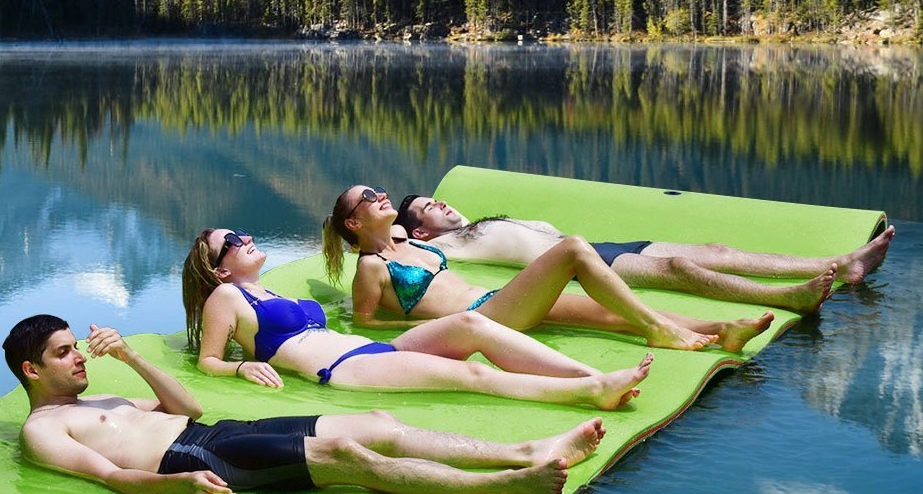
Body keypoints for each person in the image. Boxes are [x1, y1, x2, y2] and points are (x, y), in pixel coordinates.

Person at [4, 313, 607, 494]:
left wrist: (133, 358)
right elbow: (112, 479)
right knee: (346, 454)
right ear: (33, 370)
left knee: (376, 425)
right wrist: (183, 484)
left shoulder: (102, 397)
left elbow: (186, 404)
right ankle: (503, 486)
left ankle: (524, 449)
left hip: (214, 431)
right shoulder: (45, 430)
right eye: (65, 354)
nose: (80, 359)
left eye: (77, 348)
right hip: (189, 458)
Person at [182, 229, 654, 410]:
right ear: (219, 268)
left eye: (242, 233)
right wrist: (240, 366)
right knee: (470, 374)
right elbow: (208, 360)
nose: (244, 238)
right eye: (232, 241)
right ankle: (589, 392)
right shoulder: (226, 295)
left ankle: (592, 375)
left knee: (472, 326)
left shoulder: (270, 290)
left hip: (369, 353)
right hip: (343, 370)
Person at [324, 185, 780, 354]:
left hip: (494, 304)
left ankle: (723, 328)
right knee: (574, 250)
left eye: (378, 190)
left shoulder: (403, 239)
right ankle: (662, 331)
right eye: (366, 198)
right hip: (483, 319)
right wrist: (441, 326)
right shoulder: (370, 266)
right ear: (353, 223)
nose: (378, 195)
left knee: (607, 313)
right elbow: (368, 322)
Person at [395, 192, 895, 311]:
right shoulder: (444, 248)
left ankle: (840, 262)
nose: (438, 204)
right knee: (678, 268)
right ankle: (784, 298)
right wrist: (394, 229)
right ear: (419, 231)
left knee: (712, 249)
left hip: (597, 245)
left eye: (436, 199)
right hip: (580, 265)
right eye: (427, 209)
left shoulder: (485, 221)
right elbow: (386, 245)